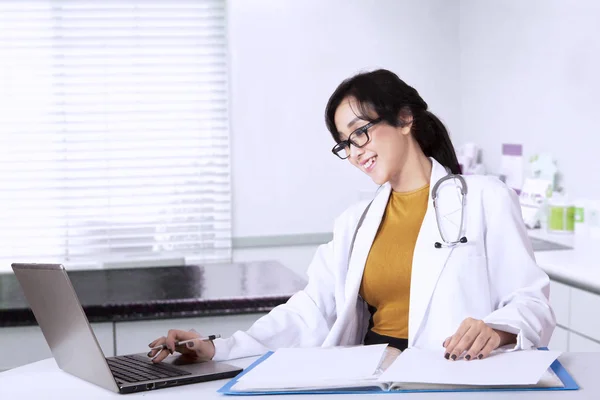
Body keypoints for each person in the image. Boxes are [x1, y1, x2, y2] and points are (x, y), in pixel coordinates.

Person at [147, 69, 556, 364]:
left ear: (405, 118)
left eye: (360, 131)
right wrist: (220, 347)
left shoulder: (486, 198)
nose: (355, 150)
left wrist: (498, 328)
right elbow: (312, 308)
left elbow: (532, 302)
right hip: (371, 373)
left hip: (454, 375)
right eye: (344, 143)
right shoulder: (356, 221)